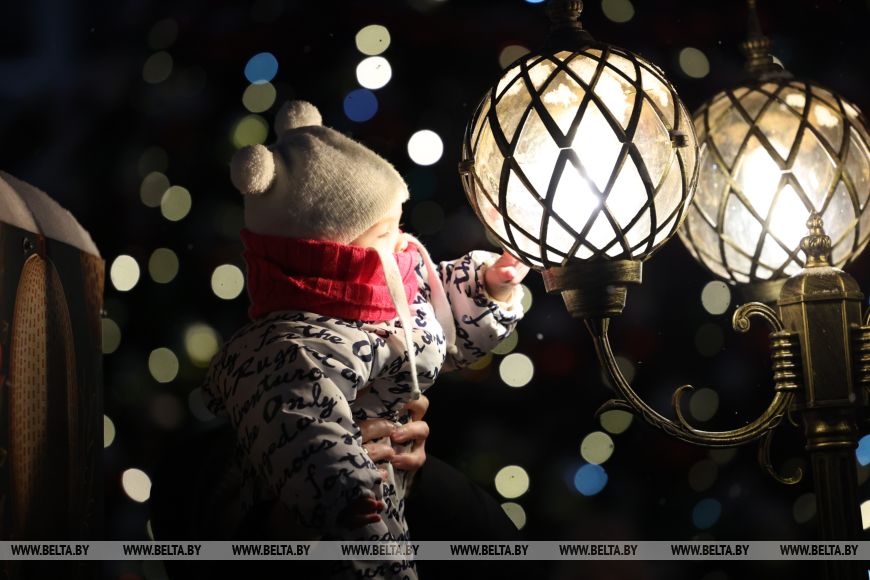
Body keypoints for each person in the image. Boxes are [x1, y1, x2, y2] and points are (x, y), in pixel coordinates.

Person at [201, 100, 529, 579]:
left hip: (395, 484)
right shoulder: (292, 345)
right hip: (349, 514)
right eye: (383, 233)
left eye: (399, 224)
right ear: (329, 254)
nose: (403, 242)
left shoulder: (391, 288)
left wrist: (488, 287)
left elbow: (441, 318)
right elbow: (299, 418)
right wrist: (340, 488)